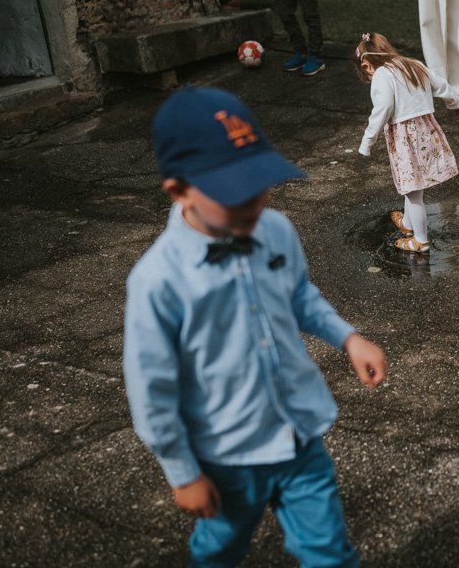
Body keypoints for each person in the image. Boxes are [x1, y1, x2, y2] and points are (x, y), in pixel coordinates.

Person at [124, 86, 387, 567]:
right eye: (232, 191)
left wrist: (348, 338)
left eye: (260, 180)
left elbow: (300, 296)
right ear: (178, 190)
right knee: (220, 550)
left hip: (298, 435)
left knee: (329, 550)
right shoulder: (157, 281)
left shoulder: (276, 229)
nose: (253, 200)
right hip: (227, 455)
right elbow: (151, 388)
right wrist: (183, 473)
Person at [354, 32, 459, 252]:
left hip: (405, 138)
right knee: (413, 185)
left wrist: (367, 141)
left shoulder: (382, 74)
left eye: (366, 74)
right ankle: (407, 224)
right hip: (427, 131)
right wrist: (456, 103)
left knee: (413, 193)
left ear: (367, 65)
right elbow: (441, 85)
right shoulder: (413, 64)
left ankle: (420, 241)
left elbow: (383, 109)